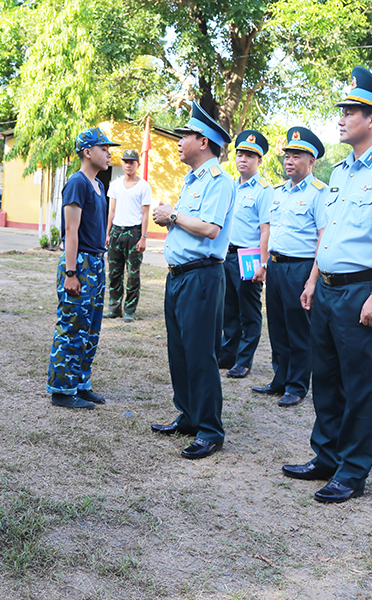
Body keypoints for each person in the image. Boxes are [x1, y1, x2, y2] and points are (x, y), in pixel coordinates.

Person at [285, 67, 372, 504]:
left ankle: (353, 471)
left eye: (349, 112)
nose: (340, 118)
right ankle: (326, 457)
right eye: (342, 111)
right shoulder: (341, 171)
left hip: (362, 291)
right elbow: (328, 232)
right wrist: (313, 280)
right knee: (324, 378)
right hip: (326, 288)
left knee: (359, 384)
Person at [150, 102, 235, 459]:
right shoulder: (192, 180)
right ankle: (188, 416)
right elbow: (188, 223)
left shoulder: (219, 180)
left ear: (203, 141)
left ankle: (210, 430)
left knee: (201, 355)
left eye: (185, 135)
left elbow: (210, 229)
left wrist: (173, 215)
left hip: (202, 275)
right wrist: (173, 218)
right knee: (180, 351)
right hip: (180, 277)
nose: (179, 141)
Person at [251, 127, 327, 407]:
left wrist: (312, 280)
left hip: (301, 268)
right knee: (278, 326)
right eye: (287, 155)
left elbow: (323, 237)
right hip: (277, 266)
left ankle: (296, 386)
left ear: (311, 161)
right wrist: (264, 263)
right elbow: (268, 230)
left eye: (297, 155)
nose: (289, 160)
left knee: (298, 328)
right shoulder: (278, 192)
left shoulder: (320, 193)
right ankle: (279, 379)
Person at [47, 127, 119, 410]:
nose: (109, 153)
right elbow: (71, 230)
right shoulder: (77, 182)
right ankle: (62, 390)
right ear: (88, 152)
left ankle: (80, 383)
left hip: (96, 262)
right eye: (104, 148)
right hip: (80, 264)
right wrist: (71, 273)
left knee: (90, 327)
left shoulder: (99, 185)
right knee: (71, 327)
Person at [218, 130, 273, 379]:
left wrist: (263, 263)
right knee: (229, 310)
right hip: (227, 255)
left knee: (248, 312)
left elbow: (265, 230)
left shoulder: (264, 189)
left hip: (249, 257)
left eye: (250, 155)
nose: (243, 159)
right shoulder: (230, 185)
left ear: (259, 161)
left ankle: (244, 360)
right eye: (240, 154)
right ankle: (228, 355)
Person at [104, 148, 152, 323]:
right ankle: (114, 308)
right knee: (114, 273)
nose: (128, 165)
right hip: (117, 231)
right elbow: (112, 211)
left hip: (134, 233)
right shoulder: (116, 184)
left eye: (132, 162)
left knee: (133, 274)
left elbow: (145, 214)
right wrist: (108, 233)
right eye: (125, 161)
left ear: (137, 164)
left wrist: (143, 236)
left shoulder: (144, 186)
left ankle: (129, 310)